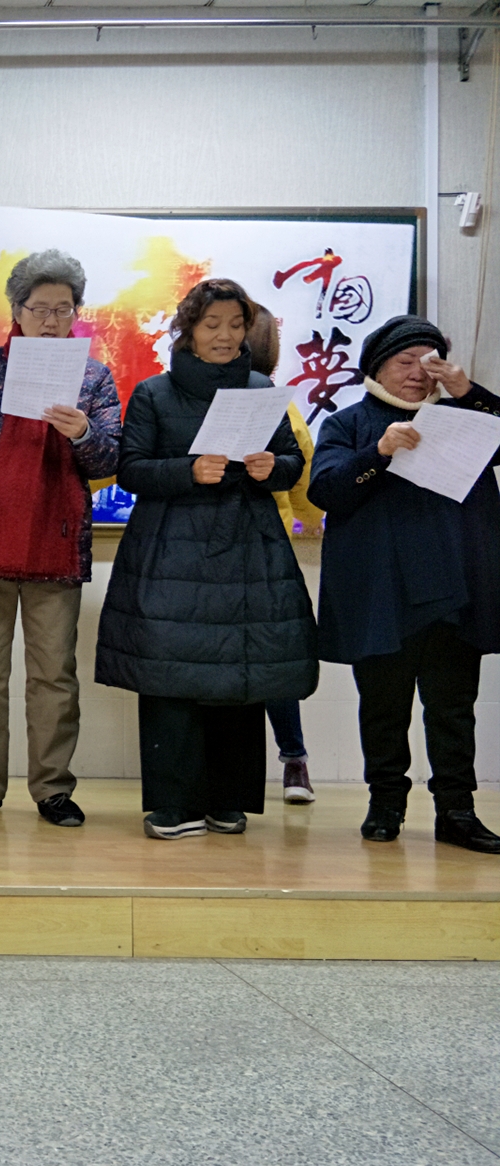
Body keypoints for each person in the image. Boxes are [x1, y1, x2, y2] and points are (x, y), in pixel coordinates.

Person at [95, 278, 318, 840]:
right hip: (171, 550)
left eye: (236, 325)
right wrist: (188, 470)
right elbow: (131, 469)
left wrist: (274, 468)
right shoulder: (154, 392)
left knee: (239, 674)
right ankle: (173, 805)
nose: (225, 335)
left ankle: (228, 800)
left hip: (248, 550)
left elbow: (292, 462)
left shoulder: (261, 388)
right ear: (189, 330)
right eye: (212, 324)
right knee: (170, 676)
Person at [0, 250, 121, 828]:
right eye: (40, 309)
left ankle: (53, 789)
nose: (52, 321)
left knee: (54, 676)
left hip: (56, 546)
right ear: (16, 311)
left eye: (64, 309)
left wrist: (83, 433)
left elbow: (111, 459)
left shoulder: (93, 376)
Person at [307, 315, 500, 854]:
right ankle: (385, 805)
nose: (418, 372)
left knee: (453, 709)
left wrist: (467, 391)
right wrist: (380, 453)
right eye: (405, 361)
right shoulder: (348, 423)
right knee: (383, 708)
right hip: (381, 593)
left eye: (431, 362)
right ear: (377, 367)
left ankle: (457, 811)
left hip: (455, 590)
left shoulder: (462, 417)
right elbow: (326, 491)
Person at [246, 304, 320, 804]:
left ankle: (293, 757)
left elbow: (301, 475)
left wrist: (310, 517)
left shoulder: (278, 406)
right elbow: (306, 489)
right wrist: (310, 519)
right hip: (249, 549)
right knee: (271, 656)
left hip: (262, 550)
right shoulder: (283, 406)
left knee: (271, 654)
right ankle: (294, 761)